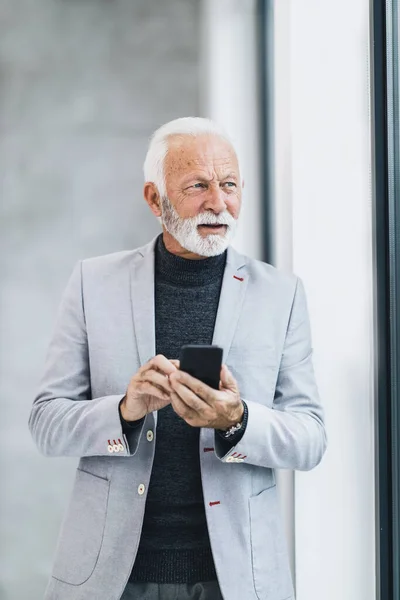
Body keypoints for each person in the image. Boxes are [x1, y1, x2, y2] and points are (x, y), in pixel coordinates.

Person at [29, 117, 327, 600]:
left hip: (236, 577)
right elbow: (46, 422)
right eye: (197, 186)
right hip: (110, 577)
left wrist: (239, 419)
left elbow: (311, 438)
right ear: (154, 199)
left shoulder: (282, 294)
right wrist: (124, 410)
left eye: (229, 185)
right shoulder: (92, 284)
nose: (218, 202)